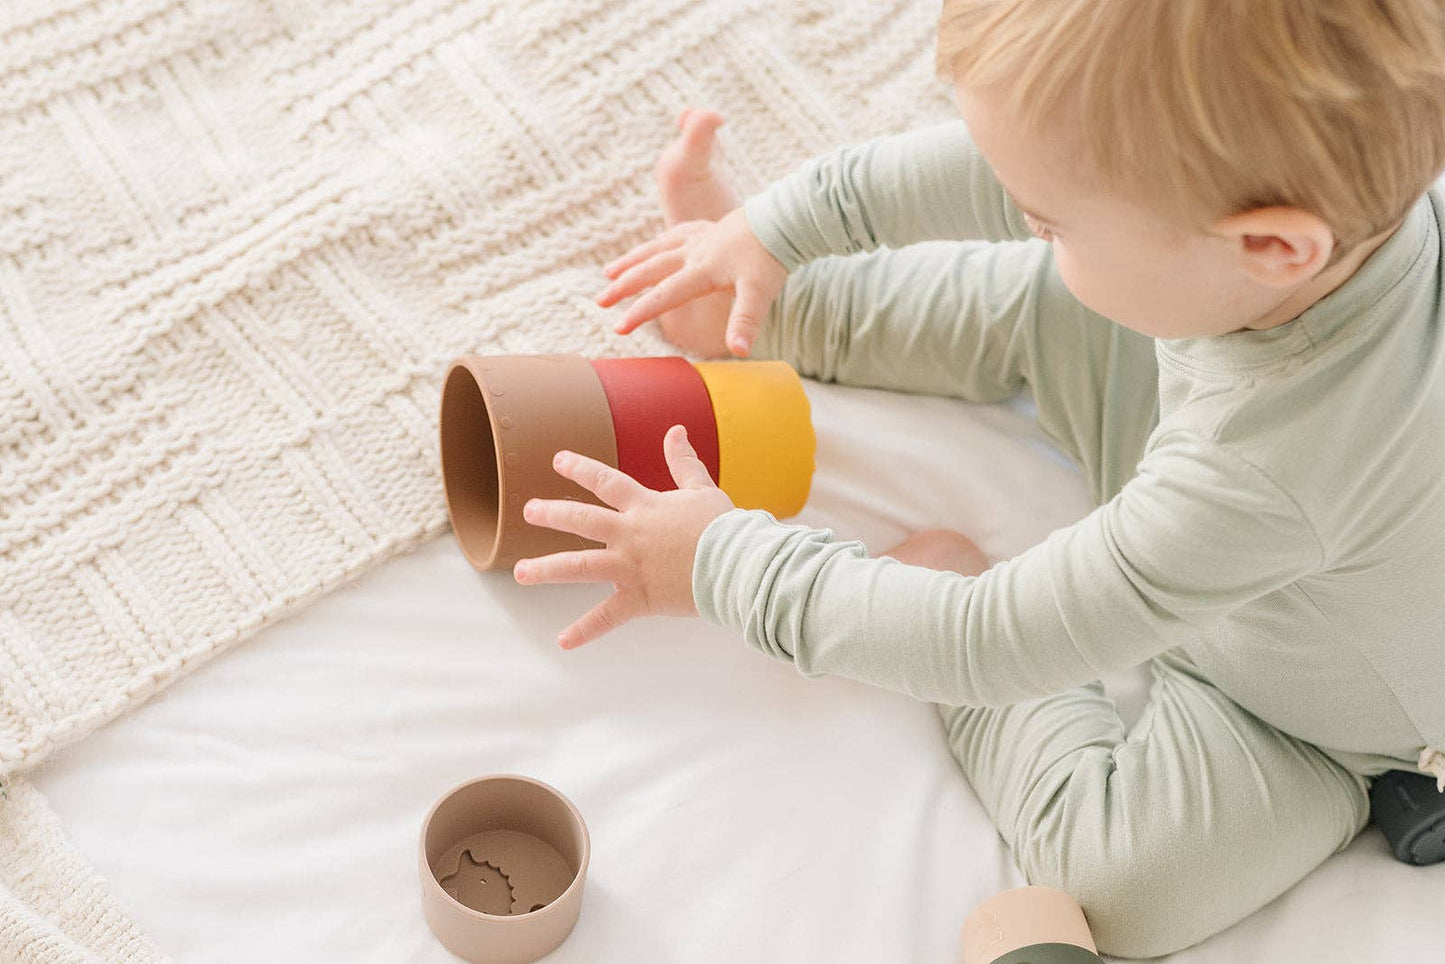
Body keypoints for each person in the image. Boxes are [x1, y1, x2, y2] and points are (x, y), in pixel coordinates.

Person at [510, 1, 1445, 955]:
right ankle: (774, 311)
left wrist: (720, 565)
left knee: (1125, 890)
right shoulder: (1291, 238)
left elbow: (997, 641)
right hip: (1188, 424)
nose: (1028, 224)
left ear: (1272, 247)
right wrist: (779, 230)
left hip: (1294, 705)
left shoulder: (1271, 463)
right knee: (1055, 299)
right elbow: (1002, 174)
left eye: (1050, 222)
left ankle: (936, 555)